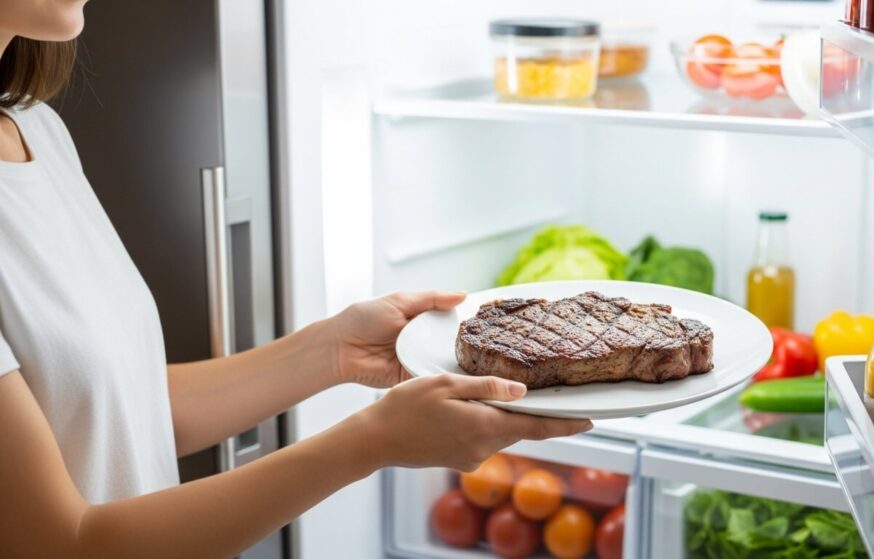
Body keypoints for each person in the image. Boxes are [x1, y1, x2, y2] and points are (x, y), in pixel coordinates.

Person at [0, 2, 592, 557]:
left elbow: (121, 414)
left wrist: (332, 350)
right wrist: (370, 443)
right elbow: (64, 542)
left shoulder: (37, 132)